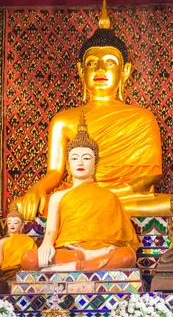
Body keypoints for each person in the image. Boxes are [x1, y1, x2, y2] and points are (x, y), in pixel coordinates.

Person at [12, 0, 173, 220]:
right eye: (91, 63)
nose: (99, 69)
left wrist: (110, 193)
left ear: (125, 71)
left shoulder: (142, 118)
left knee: (169, 205)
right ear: (80, 70)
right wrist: (38, 189)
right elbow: (55, 172)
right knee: (20, 207)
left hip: (122, 196)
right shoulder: (63, 120)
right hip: (78, 193)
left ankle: (94, 204)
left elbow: (151, 174)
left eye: (109, 63)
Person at [20, 112, 139, 271]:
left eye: (87, 158)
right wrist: (46, 244)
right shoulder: (57, 197)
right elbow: (51, 230)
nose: (80, 162)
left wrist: (94, 252)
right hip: (70, 252)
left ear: (95, 164)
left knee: (127, 255)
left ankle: (74, 266)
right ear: (68, 165)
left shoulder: (109, 196)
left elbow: (122, 243)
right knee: (28, 259)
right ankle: (80, 263)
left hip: (101, 252)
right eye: (75, 158)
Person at [0, 207, 37, 279]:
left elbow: (34, 259)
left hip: (24, 271)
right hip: (7, 271)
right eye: (9, 223)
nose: (12, 225)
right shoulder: (1, 242)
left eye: (15, 223)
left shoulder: (28, 240)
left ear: (21, 225)